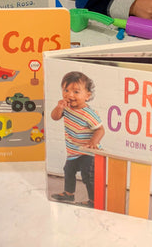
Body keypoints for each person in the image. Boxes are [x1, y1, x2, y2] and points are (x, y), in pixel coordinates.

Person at [51, 71, 105, 207]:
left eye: (76, 92)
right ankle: (69, 195)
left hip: (88, 151)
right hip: (73, 150)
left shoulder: (89, 114)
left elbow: (100, 129)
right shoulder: (66, 107)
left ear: (87, 96)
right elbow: (55, 117)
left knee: (88, 176)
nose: (70, 95)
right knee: (68, 170)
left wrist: (93, 142)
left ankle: (94, 201)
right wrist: (59, 107)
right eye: (66, 90)